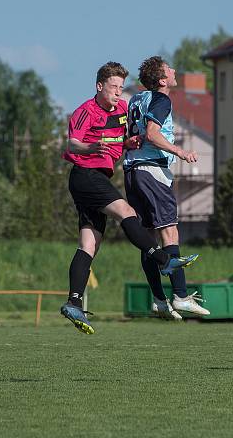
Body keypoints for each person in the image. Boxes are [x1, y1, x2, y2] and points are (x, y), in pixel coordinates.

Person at [60, 61, 199, 334]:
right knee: (127, 213)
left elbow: (126, 137)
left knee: (89, 244)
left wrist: (127, 144)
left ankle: (74, 302)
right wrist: (91, 146)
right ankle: (163, 260)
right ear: (99, 86)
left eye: (120, 87)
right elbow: (72, 143)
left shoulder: (124, 108)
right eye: (112, 87)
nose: (117, 92)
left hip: (97, 178)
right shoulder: (85, 111)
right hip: (86, 175)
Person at [124, 56, 210, 320]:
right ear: (162, 80)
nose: (174, 71)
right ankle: (181, 296)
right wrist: (180, 151)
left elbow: (131, 137)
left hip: (132, 171)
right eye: (169, 69)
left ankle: (159, 300)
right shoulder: (162, 99)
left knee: (148, 238)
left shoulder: (136, 99)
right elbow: (151, 133)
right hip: (152, 170)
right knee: (169, 232)